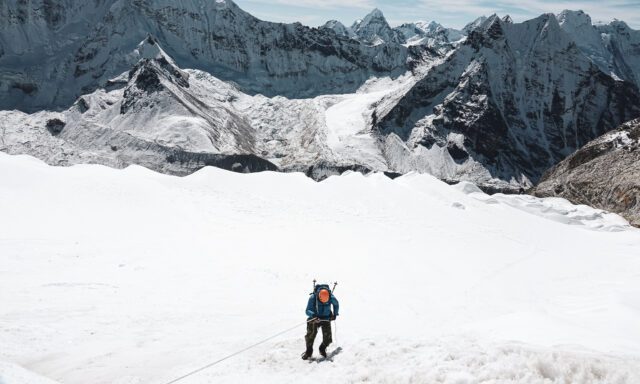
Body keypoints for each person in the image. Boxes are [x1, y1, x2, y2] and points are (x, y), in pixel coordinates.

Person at [301, 283, 339, 360]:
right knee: (310, 335)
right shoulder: (313, 297)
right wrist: (313, 316)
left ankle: (322, 348)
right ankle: (308, 351)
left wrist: (335, 314)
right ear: (319, 296)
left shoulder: (331, 297)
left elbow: (336, 304)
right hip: (314, 318)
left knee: (328, 338)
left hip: (326, 318)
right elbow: (307, 310)